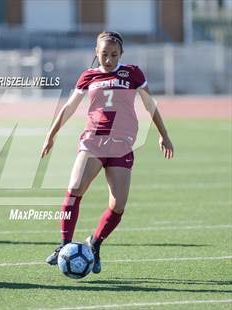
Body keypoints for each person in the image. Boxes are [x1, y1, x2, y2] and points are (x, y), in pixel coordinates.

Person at [41, 31, 174, 273]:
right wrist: (51, 134)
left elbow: (149, 105)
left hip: (121, 145)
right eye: (104, 54)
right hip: (93, 142)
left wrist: (163, 135)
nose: (109, 59)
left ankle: (95, 243)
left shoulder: (132, 73)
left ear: (121, 54)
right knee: (73, 189)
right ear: (96, 53)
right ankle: (63, 244)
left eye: (114, 55)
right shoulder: (88, 76)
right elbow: (69, 107)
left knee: (118, 206)